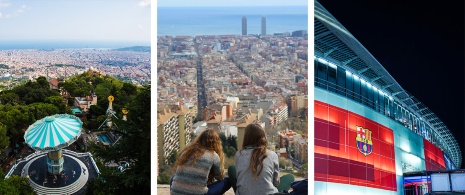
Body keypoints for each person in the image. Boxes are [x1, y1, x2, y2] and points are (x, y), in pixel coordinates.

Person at [234, 123, 292, 195]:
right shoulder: (272, 155)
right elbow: (275, 182)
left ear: (246, 138)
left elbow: (239, 178)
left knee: (231, 170)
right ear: (263, 137)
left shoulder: (238, 155)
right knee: (289, 178)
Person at [170, 129, 231, 195]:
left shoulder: (187, 151)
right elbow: (219, 177)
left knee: (174, 178)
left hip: (175, 193)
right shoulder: (213, 155)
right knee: (228, 181)